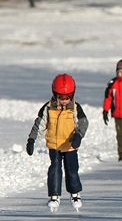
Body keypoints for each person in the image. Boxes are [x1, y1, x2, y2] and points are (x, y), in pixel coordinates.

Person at [26, 73, 89, 212]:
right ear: (55, 94)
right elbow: (39, 124)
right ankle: (54, 196)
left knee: (72, 170)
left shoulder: (76, 108)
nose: (64, 100)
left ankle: (75, 194)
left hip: (70, 146)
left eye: (67, 97)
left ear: (72, 95)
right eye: (61, 97)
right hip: (54, 145)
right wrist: (32, 139)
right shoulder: (48, 108)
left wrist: (78, 136)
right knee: (54, 169)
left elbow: (83, 123)